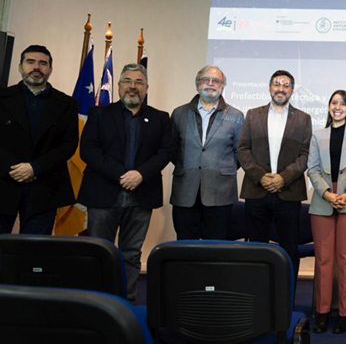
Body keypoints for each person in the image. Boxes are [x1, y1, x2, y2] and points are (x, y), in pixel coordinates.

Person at [79, 63, 172, 302]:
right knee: (99, 251)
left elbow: (165, 152)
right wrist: (122, 175)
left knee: (131, 253)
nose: (133, 86)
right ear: (119, 85)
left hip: (141, 195)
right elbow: (89, 151)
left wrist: (140, 174)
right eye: (128, 81)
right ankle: (97, 300)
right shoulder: (99, 113)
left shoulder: (160, 118)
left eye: (139, 82)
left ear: (147, 88)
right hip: (103, 193)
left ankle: (127, 301)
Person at [237, 70, 312, 285]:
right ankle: (258, 296)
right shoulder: (253, 114)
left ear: (292, 90)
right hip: (256, 191)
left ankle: (286, 297)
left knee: (289, 250)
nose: (281, 88)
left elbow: (306, 154)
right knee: (256, 250)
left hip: (288, 193)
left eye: (286, 85)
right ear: (269, 87)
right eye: (277, 84)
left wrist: (283, 178)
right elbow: (243, 149)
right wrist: (261, 177)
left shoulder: (303, 118)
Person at [307, 90, 346, 335]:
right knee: (323, 261)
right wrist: (327, 194)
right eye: (334, 103)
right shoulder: (317, 134)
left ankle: (344, 314)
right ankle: (322, 314)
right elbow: (312, 169)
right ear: (329, 107)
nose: (338, 107)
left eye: (343, 104)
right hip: (323, 201)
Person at [0, 45, 78, 234]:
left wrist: (35, 167)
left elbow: (69, 145)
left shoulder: (67, 104)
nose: (37, 67)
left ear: (50, 69)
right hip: (3, 182)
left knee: (33, 253)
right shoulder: (2, 98)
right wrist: (16, 169)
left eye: (43, 63)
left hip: (45, 187)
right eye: (31, 62)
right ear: (20, 67)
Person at [169, 65, 244, 240]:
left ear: (222, 86)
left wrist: (219, 168)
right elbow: (172, 149)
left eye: (216, 80)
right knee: (185, 247)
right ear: (197, 85)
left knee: (215, 248)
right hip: (185, 191)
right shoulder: (179, 113)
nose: (210, 84)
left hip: (220, 192)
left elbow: (239, 152)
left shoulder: (236, 115)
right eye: (205, 80)